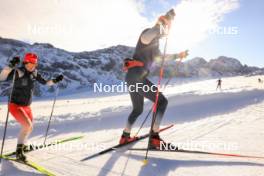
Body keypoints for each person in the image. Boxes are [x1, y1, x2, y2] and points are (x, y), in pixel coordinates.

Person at [120, 9, 188, 149]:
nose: (164, 33)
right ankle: (154, 138)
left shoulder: (156, 45)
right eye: (164, 30)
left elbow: (162, 57)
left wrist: (178, 55)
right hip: (137, 77)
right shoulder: (148, 34)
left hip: (132, 78)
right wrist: (163, 22)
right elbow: (147, 36)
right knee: (161, 101)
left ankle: (124, 137)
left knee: (137, 109)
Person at [0, 53, 63, 161]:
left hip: (27, 106)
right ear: (25, 62)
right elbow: (2, 77)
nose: (32, 65)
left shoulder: (34, 73)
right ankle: (19, 153)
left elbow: (45, 83)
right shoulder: (19, 71)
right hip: (15, 105)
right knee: (27, 126)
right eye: (30, 63)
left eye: (34, 63)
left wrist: (55, 81)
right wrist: (10, 66)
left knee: (30, 127)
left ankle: (23, 146)